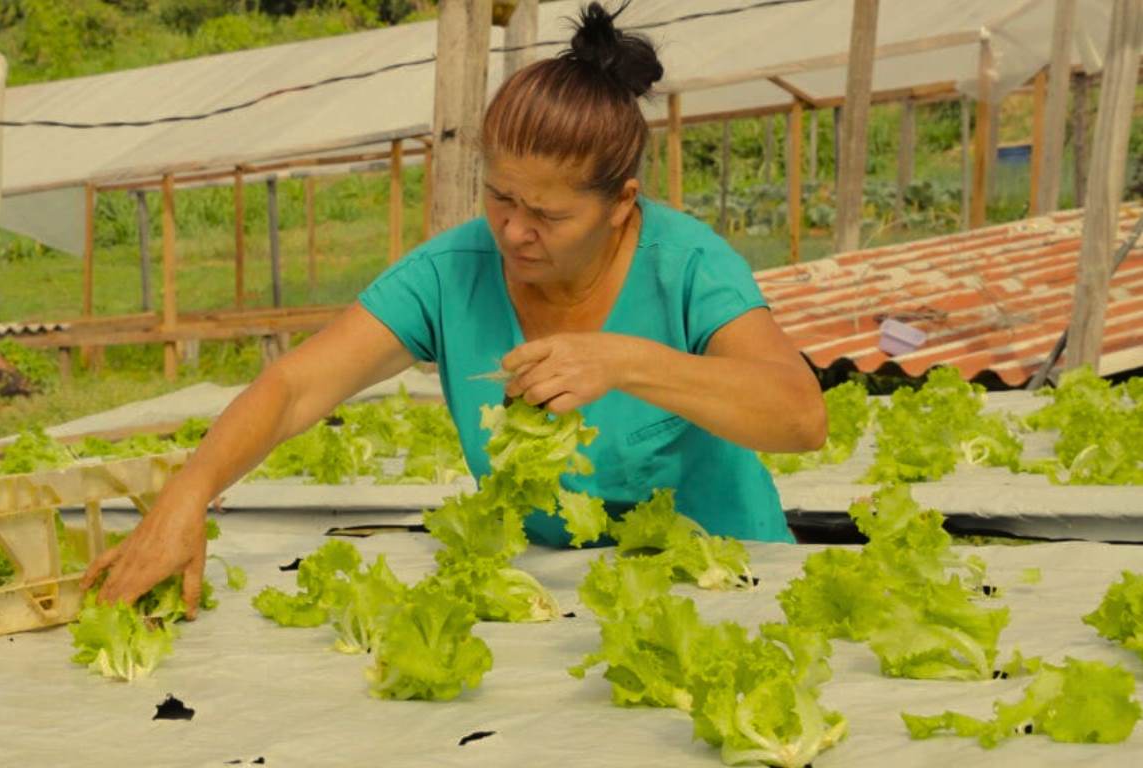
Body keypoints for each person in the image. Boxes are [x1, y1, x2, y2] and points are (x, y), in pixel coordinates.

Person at [82, 3, 826, 616]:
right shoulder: (452, 274)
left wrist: (625, 359)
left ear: (621, 206)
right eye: (499, 196)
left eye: (547, 215)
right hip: (560, 606)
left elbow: (799, 417)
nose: (513, 230)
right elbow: (294, 388)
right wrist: (188, 494)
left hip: (732, 590)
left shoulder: (687, 266)